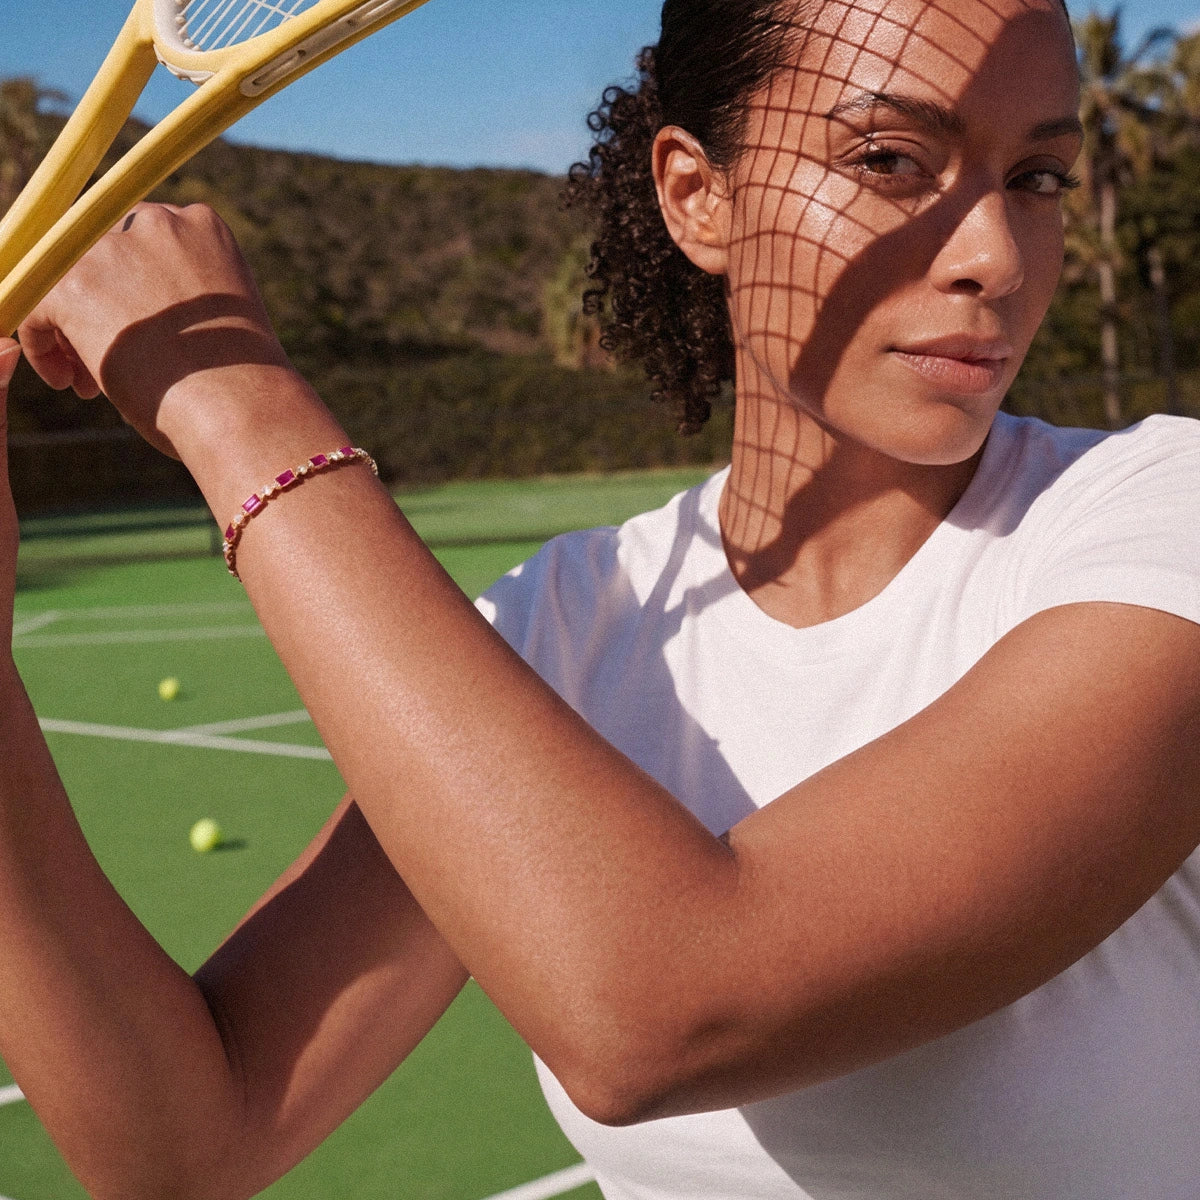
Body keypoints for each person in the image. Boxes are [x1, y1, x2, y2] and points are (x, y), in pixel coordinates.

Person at [2, 0, 1199, 1196]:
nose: (996, 254)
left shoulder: (1160, 525)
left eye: (1038, 178)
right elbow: (185, 1142)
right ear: (697, 195)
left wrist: (234, 403)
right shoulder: (564, 627)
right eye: (890, 160)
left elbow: (660, 1009)